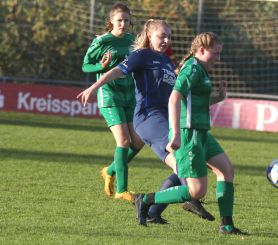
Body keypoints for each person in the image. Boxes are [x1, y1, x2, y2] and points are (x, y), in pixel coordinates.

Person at [77, 19, 214, 223]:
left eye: (169, 36)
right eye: (162, 36)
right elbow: (116, 71)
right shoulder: (141, 55)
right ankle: (190, 198)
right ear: (149, 36)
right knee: (183, 164)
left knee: (186, 161)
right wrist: (94, 87)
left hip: (165, 120)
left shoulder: (167, 61)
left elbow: (178, 95)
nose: (167, 40)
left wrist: (217, 97)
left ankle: (153, 212)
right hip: (148, 117)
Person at [135, 32, 246, 235]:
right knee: (196, 191)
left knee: (226, 171)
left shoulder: (201, 70)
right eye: (216, 53)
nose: (218, 59)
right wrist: (175, 134)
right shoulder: (193, 69)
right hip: (189, 133)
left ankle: (227, 226)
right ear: (202, 50)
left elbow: (193, 102)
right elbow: (174, 99)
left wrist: (218, 98)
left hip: (202, 132)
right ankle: (145, 199)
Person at [80, 3, 144, 202]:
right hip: (109, 96)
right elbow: (85, 66)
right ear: (111, 22)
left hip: (129, 95)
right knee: (123, 141)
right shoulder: (102, 41)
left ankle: (109, 170)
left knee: (138, 142)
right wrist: (101, 65)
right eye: (119, 20)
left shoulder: (132, 41)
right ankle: (122, 190)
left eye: (126, 20)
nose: (123, 24)